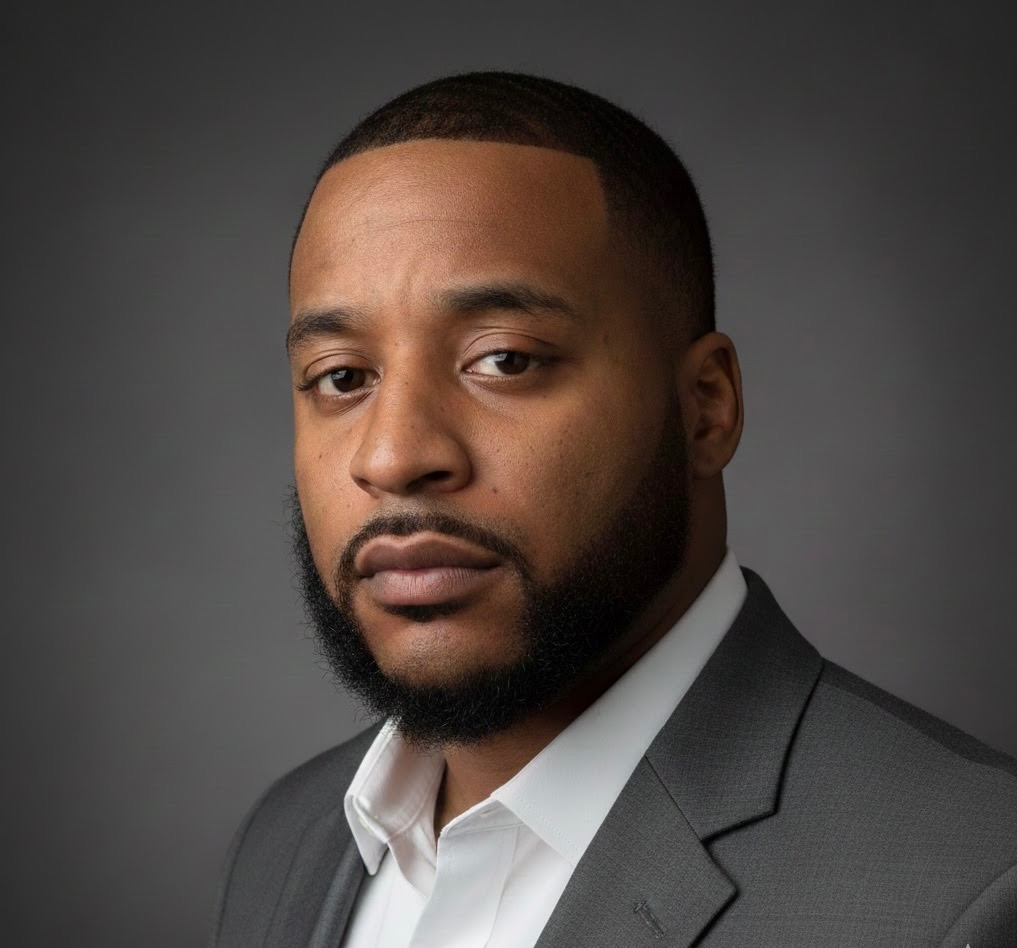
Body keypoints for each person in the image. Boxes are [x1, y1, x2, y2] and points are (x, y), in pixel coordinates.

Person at [208, 72, 1017, 948]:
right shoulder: (285, 843)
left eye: (505, 360)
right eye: (341, 377)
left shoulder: (972, 888)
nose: (392, 456)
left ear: (705, 407)